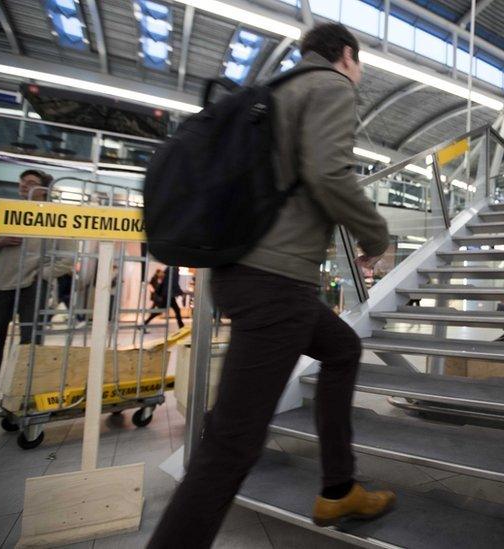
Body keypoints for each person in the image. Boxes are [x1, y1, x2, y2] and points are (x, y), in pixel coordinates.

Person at [149, 23, 394, 548]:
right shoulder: (331, 86)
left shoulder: (274, 92)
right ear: (346, 55)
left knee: (342, 347)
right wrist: (377, 234)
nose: (359, 70)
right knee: (232, 446)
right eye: (359, 60)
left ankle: (338, 486)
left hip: (245, 273)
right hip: (276, 283)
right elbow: (329, 173)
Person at [0, 170, 73, 415]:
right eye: (22, 183)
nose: (24, 187)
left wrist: (41, 275)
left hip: (34, 286)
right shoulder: (9, 213)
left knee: (30, 345)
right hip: (2, 284)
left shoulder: (56, 216)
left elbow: (67, 258)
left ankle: (23, 400)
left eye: (31, 183)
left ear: (45, 190)